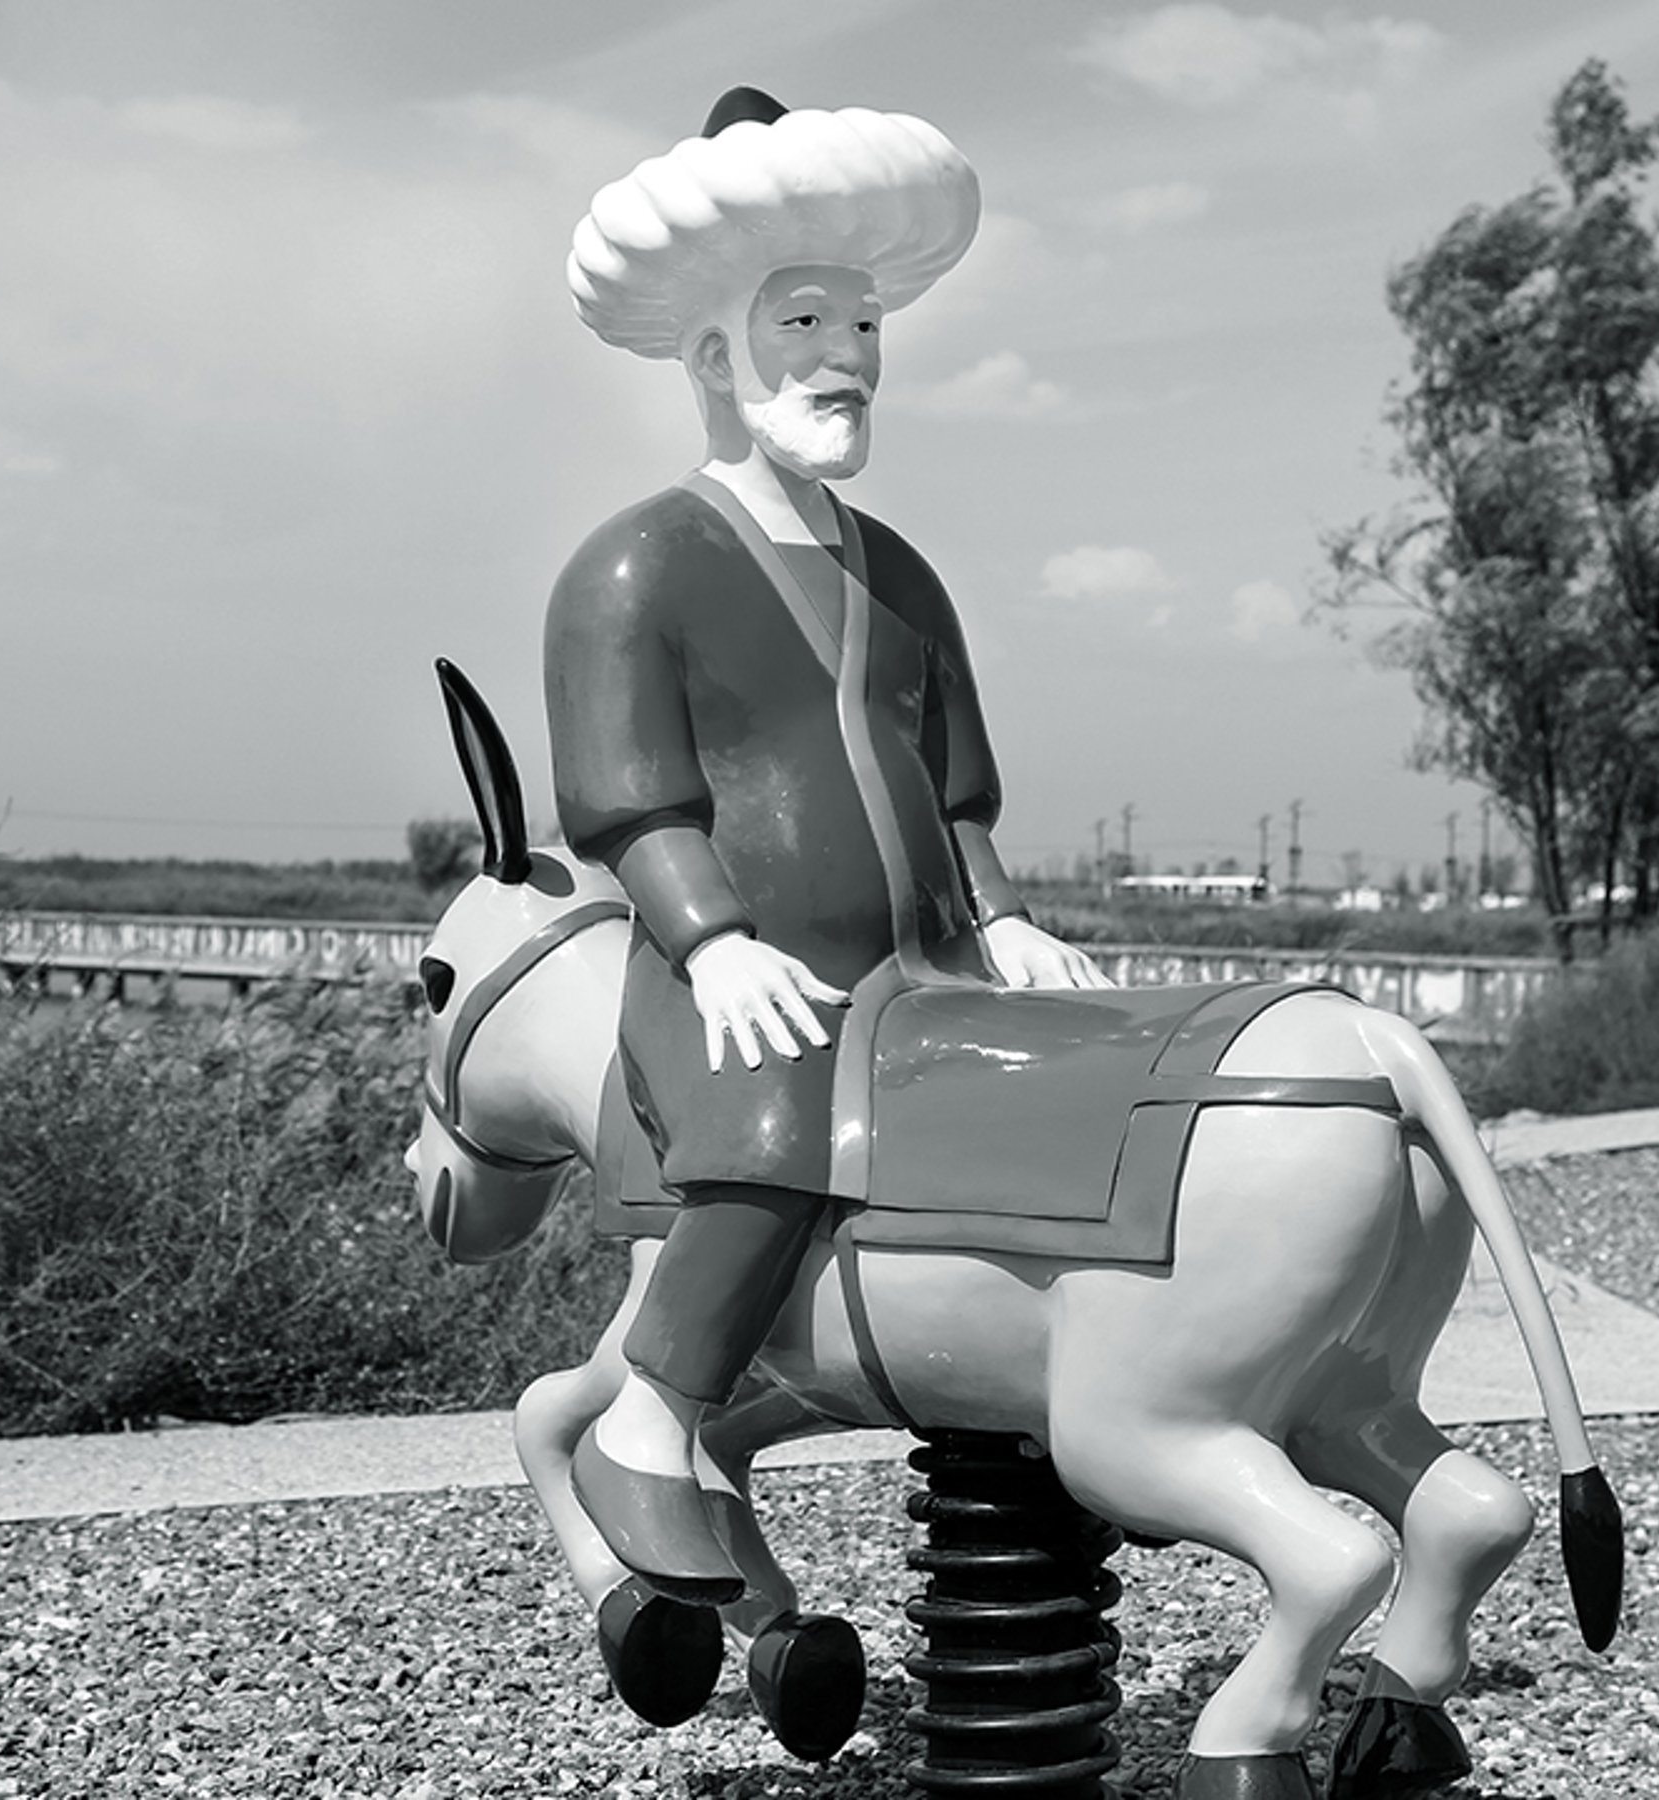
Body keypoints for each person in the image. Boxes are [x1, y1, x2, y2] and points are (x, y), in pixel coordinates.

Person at [546, 88, 1107, 1599]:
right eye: (805, 325)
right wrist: (712, 940)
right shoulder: (637, 564)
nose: (846, 361)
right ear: (719, 356)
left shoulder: (905, 573)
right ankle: (650, 1420)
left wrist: (997, 914)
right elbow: (630, 797)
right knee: (777, 1119)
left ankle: (1077, 1386)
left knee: (1088, 1084)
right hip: (741, 974)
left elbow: (956, 780)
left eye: (863, 331)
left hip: (922, 958)